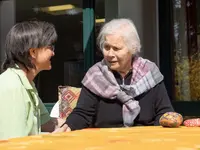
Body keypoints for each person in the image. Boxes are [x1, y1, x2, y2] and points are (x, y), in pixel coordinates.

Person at [59, 18, 174, 131]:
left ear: (132, 49)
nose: (110, 54)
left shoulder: (149, 73)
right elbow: (82, 114)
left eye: (116, 48)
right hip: (106, 141)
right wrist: (68, 127)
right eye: (106, 47)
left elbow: (165, 113)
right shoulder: (95, 75)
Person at [0, 20, 67, 140]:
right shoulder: (12, 88)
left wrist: (78, 121)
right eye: (50, 47)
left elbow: (48, 124)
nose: (53, 53)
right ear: (33, 52)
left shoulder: (26, 82)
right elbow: (14, 144)